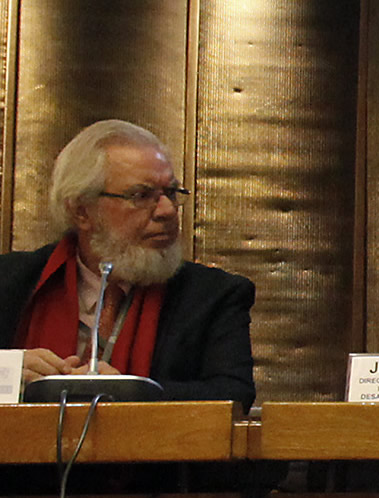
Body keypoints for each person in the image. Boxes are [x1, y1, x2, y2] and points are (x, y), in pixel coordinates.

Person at [0, 120, 256, 406]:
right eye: (141, 196)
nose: (167, 211)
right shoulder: (8, 281)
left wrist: (132, 394)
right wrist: (5, 374)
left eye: (171, 193)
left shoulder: (213, 295)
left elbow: (234, 395)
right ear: (82, 211)